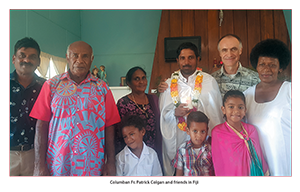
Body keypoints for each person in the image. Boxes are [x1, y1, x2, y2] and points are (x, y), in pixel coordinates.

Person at [30, 41, 120, 176]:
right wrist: (39, 165)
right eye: (75, 56)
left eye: (85, 56)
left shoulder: (102, 88)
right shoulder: (52, 85)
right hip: (57, 165)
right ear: (67, 57)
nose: (80, 60)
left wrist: (111, 162)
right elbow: (41, 125)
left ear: (91, 59)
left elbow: (110, 126)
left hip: (92, 165)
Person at [159, 42, 223, 176]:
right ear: (177, 60)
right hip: (178, 139)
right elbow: (163, 113)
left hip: (203, 141)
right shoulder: (169, 84)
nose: (186, 62)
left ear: (198, 59)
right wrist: (174, 113)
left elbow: (216, 113)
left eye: (191, 57)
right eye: (182, 58)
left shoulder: (209, 81)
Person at [244, 39, 291, 176]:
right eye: (262, 64)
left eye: (272, 65)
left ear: (280, 67)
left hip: (286, 159)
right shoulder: (247, 95)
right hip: (259, 160)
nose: (266, 69)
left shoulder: (290, 90)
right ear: (256, 67)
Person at [115, 66, 163, 171]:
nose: (141, 82)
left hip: (152, 152)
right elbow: (119, 133)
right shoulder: (123, 103)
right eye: (137, 79)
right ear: (129, 83)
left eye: (143, 78)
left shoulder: (153, 99)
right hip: (131, 155)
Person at [211, 90, 269, 176]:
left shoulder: (251, 130)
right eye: (231, 107)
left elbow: (258, 155)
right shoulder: (217, 132)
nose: (236, 111)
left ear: (245, 110)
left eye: (240, 107)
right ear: (223, 109)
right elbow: (219, 161)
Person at [10, 37, 45, 176]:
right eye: (22, 56)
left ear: (38, 61)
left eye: (32, 57)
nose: (26, 60)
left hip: (35, 155)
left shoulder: (47, 87)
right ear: (14, 59)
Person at [172, 111, 214, 176]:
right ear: (188, 131)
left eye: (202, 131)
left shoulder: (211, 149)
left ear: (207, 131)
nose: (199, 136)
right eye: (195, 131)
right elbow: (179, 174)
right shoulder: (182, 149)